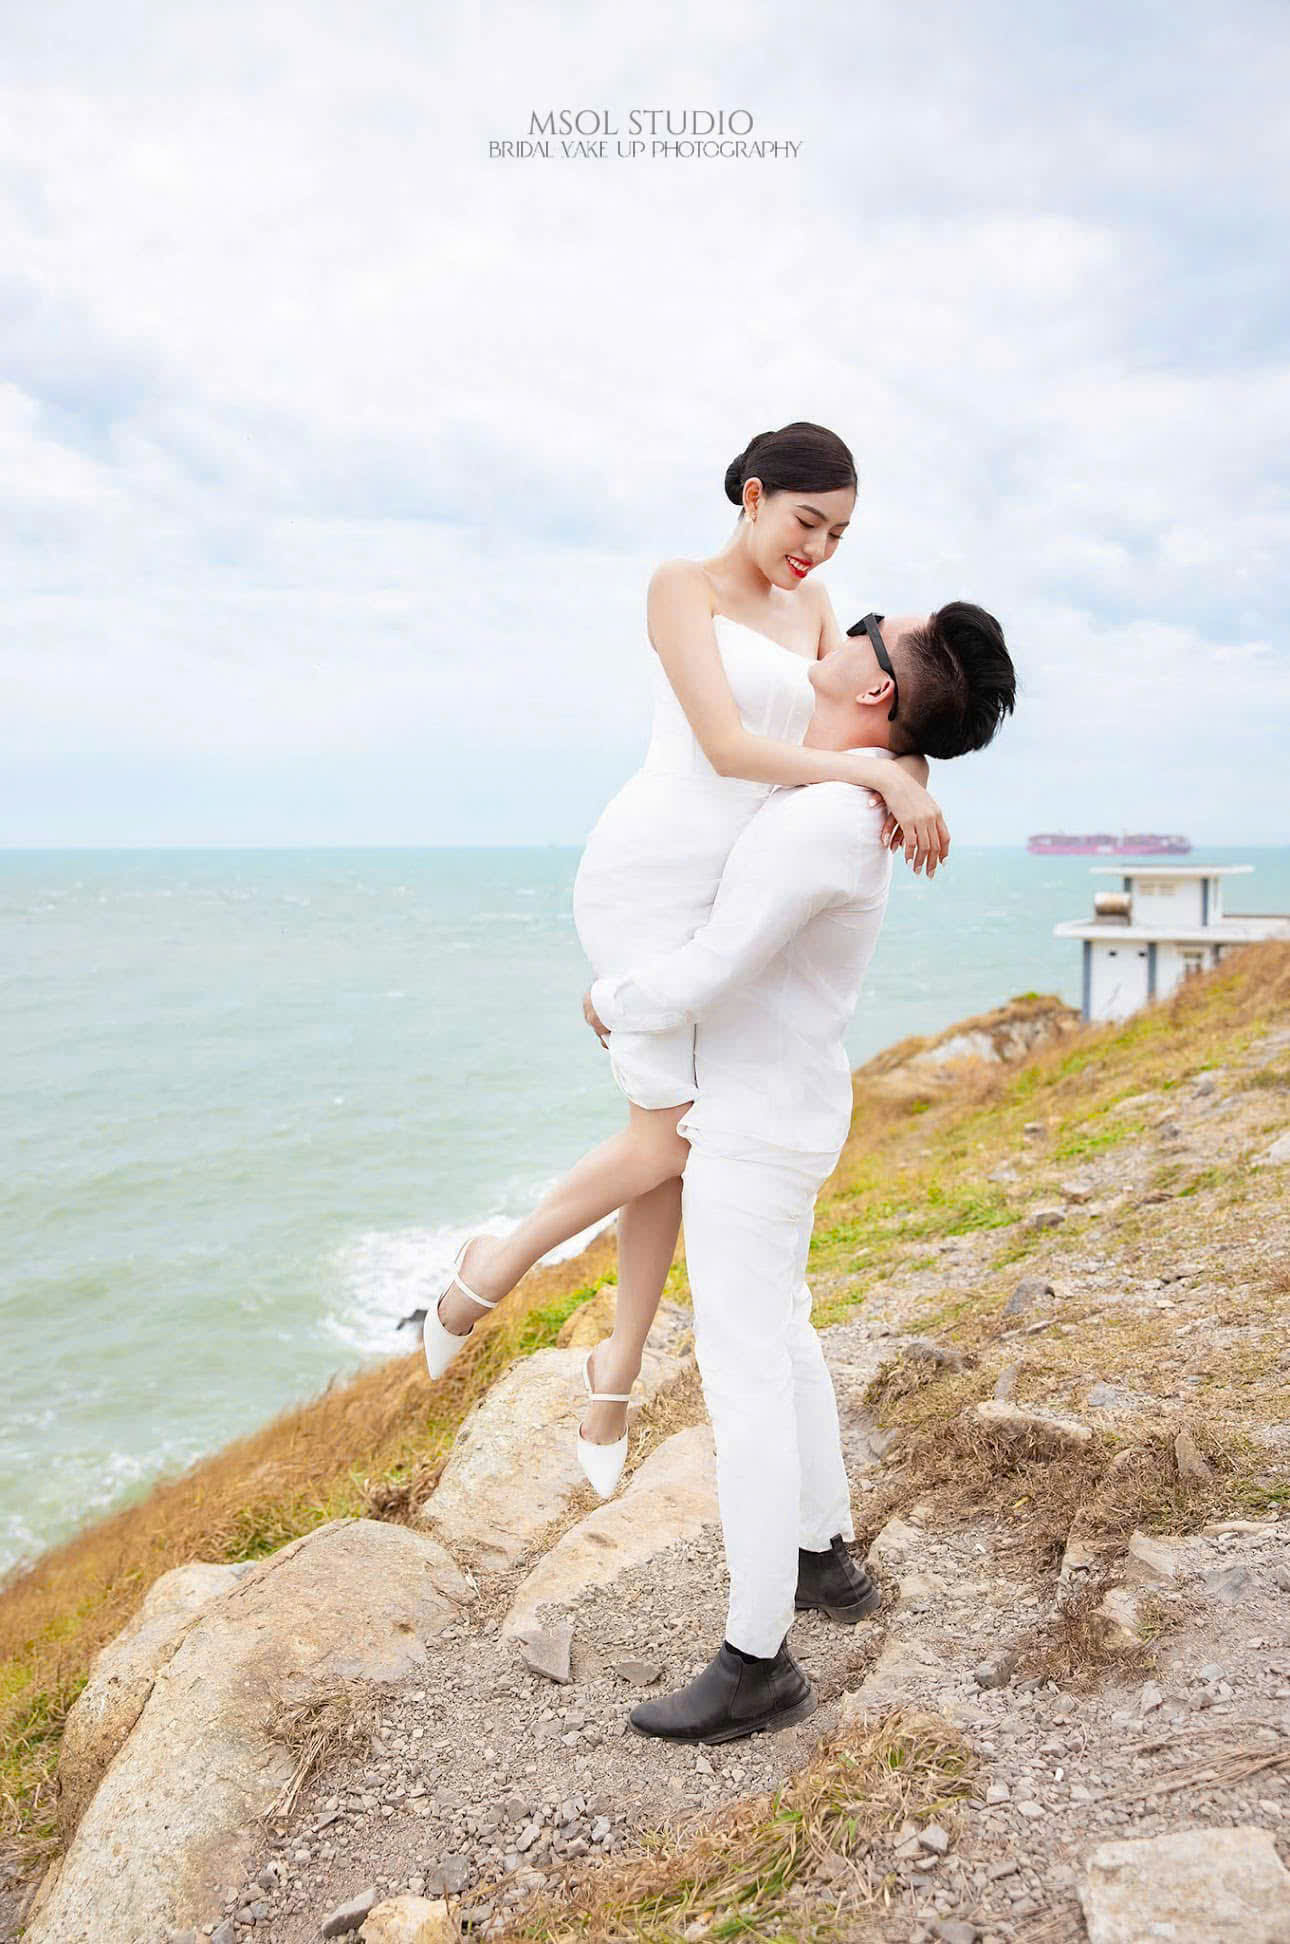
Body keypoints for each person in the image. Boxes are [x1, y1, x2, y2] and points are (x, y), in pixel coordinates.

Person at [423, 425, 949, 1497]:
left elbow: (865, 718)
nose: (818, 551)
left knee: (674, 1137)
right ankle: (499, 1271)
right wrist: (884, 782)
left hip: (735, 885)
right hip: (653, 870)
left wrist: (910, 770)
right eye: (806, 522)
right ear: (753, 497)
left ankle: (613, 1366)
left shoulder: (814, 608)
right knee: (668, 1133)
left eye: (839, 535)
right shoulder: (681, 586)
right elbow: (728, 747)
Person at [581, 605, 1017, 1742]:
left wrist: (611, 1001)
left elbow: (713, 968)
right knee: (785, 1332)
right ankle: (826, 1558)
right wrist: (904, 770)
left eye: (866, 626)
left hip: (755, 1127)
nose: (846, 621)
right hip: (786, 1108)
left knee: (744, 1379)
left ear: (874, 691)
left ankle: (757, 1659)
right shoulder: (848, 791)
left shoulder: (823, 820)